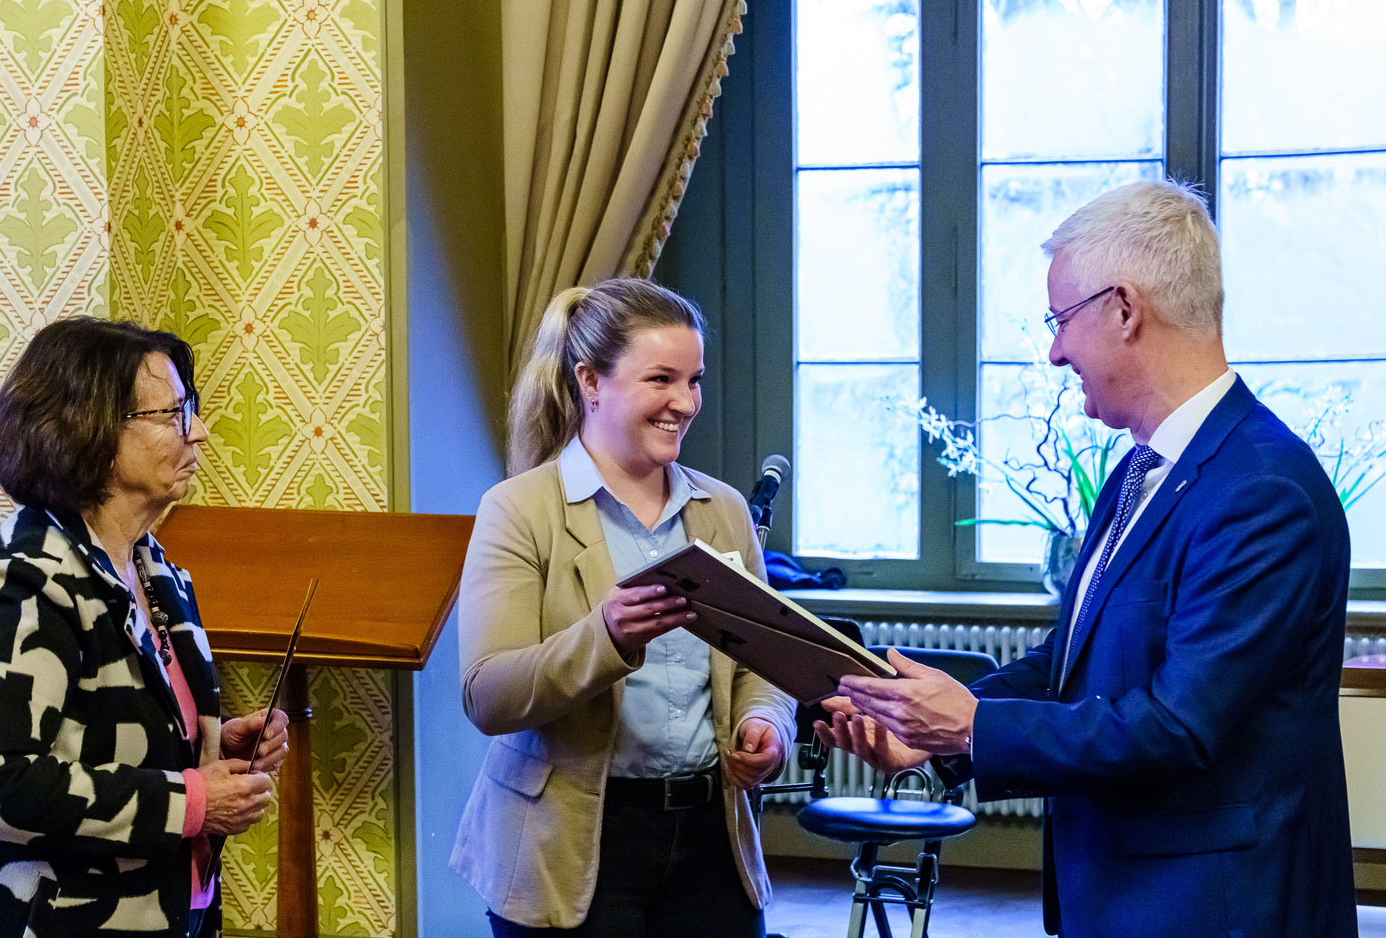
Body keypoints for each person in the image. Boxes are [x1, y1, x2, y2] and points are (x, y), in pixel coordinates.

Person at [824, 180, 1356, 938]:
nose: (1054, 351)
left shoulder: (1262, 489)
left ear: (1125, 309)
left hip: (1215, 910)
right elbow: (1073, 661)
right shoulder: (1139, 469)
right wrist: (929, 729)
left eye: (1061, 319)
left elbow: (1179, 726)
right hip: (1124, 897)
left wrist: (974, 727)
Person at [0, 317, 290, 938]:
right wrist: (194, 800)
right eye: (173, 414)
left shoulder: (152, 567)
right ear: (92, 431)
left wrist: (213, 748)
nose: (199, 430)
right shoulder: (25, 579)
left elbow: (104, 732)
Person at [452, 278, 797, 936]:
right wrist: (605, 637)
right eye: (661, 379)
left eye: (694, 381)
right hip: (564, 845)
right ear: (590, 381)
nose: (684, 403)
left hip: (713, 841)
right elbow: (487, 696)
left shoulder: (724, 510)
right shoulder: (518, 510)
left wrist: (767, 723)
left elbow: (766, 660)